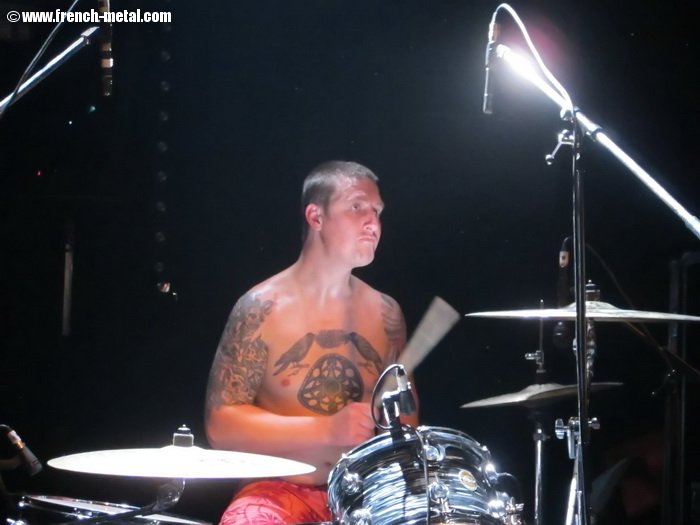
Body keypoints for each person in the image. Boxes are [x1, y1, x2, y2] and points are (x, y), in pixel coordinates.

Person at [205, 160, 419, 525]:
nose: (373, 222)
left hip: (363, 495)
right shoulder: (261, 308)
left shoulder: (386, 313)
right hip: (277, 489)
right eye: (357, 207)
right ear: (316, 216)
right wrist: (326, 429)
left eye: (377, 211)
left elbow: (406, 421)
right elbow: (220, 425)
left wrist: (387, 429)